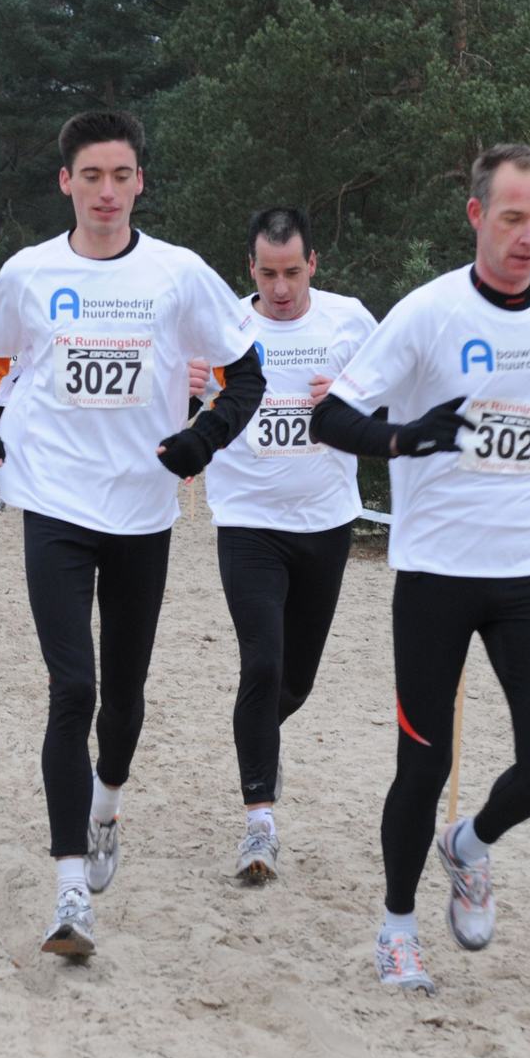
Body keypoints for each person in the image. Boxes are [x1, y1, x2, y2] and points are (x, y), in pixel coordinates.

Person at [0, 110, 266, 958]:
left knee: (124, 696)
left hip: (142, 508)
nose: (105, 192)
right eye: (90, 176)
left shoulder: (178, 274)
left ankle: (106, 804)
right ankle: (68, 892)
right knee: (73, 689)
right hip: (55, 501)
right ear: (65, 181)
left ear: (140, 183)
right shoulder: (30, 271)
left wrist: (204, 437)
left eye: (120, 176)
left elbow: (246, 374)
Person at [310, 143, 530, 993]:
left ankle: (469, 844)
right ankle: (397, 927)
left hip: (528, 573)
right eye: (512, 218)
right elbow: (332, 417)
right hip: (436, 575)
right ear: (477, 214)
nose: (528, 237)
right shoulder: (429, 313)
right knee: (424, 764)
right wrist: (406, 437)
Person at [196, 207, 377, 883]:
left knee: (296, 681)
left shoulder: (349, 321)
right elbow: (178, 400)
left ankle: (261, 743)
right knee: (263, 664)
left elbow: (396, 397)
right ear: (250, 267)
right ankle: (259, 825)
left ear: (313, 265)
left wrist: (355, 400)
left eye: (292, 273)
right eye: (267, 273)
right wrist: (189, 391)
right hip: (248, 520)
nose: (279, 288)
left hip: (325, 523)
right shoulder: (223, 326)